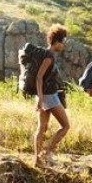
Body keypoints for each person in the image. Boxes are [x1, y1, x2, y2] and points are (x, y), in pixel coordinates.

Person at [33, 25, 70, 166]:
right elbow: (39, 77)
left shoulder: (46, 54)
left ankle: (37, 160)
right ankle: (46, 153)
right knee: (65, 126)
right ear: (57, 42)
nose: (64, 45)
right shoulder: (49, 56)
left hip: (45, 95)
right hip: (48, 96)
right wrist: (41, 98)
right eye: (63, 42)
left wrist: (39, 97)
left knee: (42, 127)